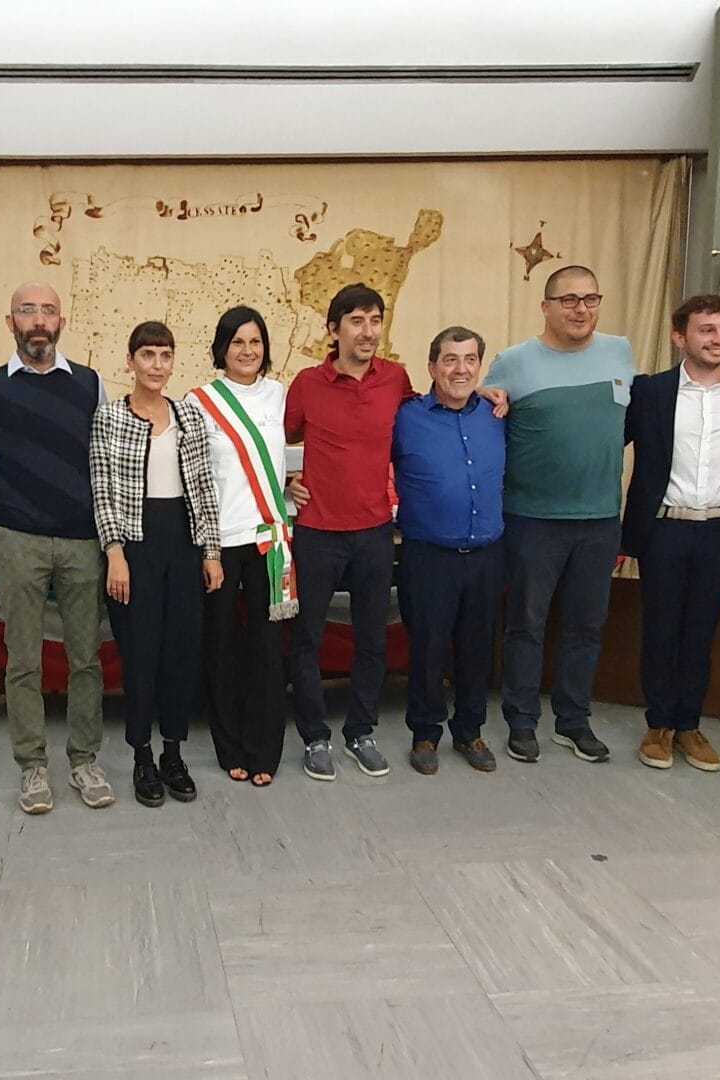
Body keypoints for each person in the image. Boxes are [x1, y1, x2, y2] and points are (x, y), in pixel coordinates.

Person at [0, 282, 116, 814]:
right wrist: (12, 524)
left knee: (85, 658)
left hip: (83, 541)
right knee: (23, 661)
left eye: (47, 311)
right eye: (26, 311)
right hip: (19, 541)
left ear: (61, 323)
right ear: (10, 322)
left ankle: (84, 759)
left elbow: (101, 460)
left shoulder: (91, 385)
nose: (38, 320)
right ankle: (31, 767)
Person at [484, 264, 633, 765]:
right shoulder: (512, 362)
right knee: (526, 625)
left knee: (586, 626)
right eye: (569, 300)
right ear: (546, 307)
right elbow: (486, 421)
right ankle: (522, 722)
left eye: (590, 299)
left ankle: (573, 721)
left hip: (600, 519)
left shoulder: (620, 351)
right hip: (533, 520)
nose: (580, 309)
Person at [623, 295, 720, 773]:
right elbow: (607, 441)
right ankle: (659, 725)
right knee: (661, 629)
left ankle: (689, 724)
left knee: (702, 631)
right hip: (664, 529)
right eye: (707, 329)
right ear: (679, 337)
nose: (719, 339)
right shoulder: (651, 391)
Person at [282, 282, 415, 781]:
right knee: (307, 639)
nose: (368, 331)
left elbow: (430, 417)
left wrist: (488, 394)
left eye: (375, 320)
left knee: (372, 640)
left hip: (375, 532)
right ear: (333, 330)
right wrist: (285, 483)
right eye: (357, 321)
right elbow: (272, 440)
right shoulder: (307, 384)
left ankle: (361, 732)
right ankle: (315, 737)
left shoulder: (395, 379)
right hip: (317, 532)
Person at [90, 322, 223, 806]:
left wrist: (211, 552)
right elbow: (102, 489)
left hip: (182, 543)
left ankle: (173, 752)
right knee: (141, 651)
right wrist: (115, 552)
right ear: (130, 361)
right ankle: (142, 754)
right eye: (147, 355)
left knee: (180, 651)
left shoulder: (189, 415)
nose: (157, 365)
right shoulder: (110, 417)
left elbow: (203, 488)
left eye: (165, 356)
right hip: (135, 546)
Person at [393, 327, 508, 776]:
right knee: (427, 648)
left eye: (470, 360)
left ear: (480, 367)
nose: (460, 369)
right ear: (431, 367)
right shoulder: (406, 418)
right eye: (450, 360)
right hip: (428, 556)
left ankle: (469, 731)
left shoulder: (499, 414)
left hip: (486, 554)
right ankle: (425, 734)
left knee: (477, 649)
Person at [189, 306, 293, 787]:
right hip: (221, 544)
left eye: (255, 342)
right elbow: (194, 478)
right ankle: (229, 746)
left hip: (270, 542)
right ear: (222, 348)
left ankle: (265, 750)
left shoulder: (279, 394)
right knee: (222, 647)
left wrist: (297, 485)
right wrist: (207, 551)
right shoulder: (200, 402)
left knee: (267, 650)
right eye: (237, 342)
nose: (247, 351)